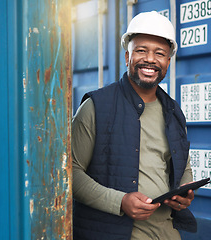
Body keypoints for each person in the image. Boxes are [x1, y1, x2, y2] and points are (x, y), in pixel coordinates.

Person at [72, 11, 197, 239]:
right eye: (141, 50)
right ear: (127, 56)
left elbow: (183, 166)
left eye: (160, 53)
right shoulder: (96, 107)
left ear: (168, 61)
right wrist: (120, 201)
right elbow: (70, 172)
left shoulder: (173, 111)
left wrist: (185, 191)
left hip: (166, 233)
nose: (150, 59)